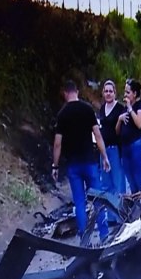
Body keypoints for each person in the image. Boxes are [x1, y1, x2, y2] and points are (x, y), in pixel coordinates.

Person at [52, 80, 111, 239]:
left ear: (65, 93)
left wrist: (55, 166)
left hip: (73, 166)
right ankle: (105, 235)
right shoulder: (87, 109)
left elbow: (57, 144)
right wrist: (105, 157)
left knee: (79, 202)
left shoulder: (62, 115)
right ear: (77, 92)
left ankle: (84, 238)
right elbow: (97, 136)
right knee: (98, 199)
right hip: (90, 162)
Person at [98, 80, 126, 220]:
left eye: (111, 91)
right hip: (103, 150)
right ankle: (110, 216)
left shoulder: (120, 108)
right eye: (106, 91)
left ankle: (120, 215)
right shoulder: (102, 108)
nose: (108, 93)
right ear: (103, 93)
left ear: (115, 93)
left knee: (118, 183)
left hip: (115, 149)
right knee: (106, 183)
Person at [116, 79, 141, 193]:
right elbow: (117, 131)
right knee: (130, 179)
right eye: (124, 92)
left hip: (136, 145)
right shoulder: (124, 108)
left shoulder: (140, 106)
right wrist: (120, 120)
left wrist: (130, 109)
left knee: (140, 180)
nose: (125, 95)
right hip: (125, 147)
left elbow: (139, 124)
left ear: (134, 94)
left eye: (128, 92)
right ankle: (136, 204)